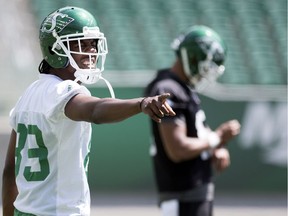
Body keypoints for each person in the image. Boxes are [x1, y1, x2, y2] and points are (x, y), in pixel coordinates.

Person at [2, 6, 175, 216]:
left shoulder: (28, 95)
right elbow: (95, 110)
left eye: (93, 43)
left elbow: (11, 170)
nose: (91, 51)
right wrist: (141, 103)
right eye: (80, 44)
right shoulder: (62, 91)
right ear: (55, 49)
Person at [144, 25, 241, 216]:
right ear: (193, 57)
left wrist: (216, 146)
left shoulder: (183, 88)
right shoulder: (167, 89)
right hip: (182, 194)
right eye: (205, 64)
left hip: (193, 193)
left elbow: (197, 132)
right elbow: (178, 149)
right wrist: (217, 137)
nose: (206, 72)